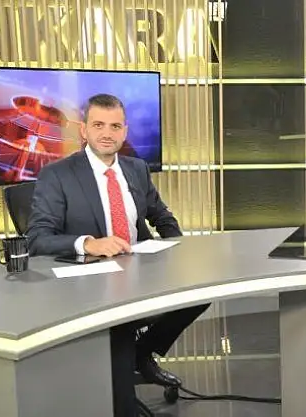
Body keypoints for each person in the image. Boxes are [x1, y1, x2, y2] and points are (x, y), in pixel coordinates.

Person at [26, 93, 208, 387]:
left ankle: (142, 353)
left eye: (115, 126)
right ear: (84, 130)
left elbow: (161, 216)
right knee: (120, 339)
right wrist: (88, 243)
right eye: (98, 125)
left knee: (198, 293)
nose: (107, 134)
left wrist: (180, 249)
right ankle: (122, 384)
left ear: (124, 131)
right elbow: (37, 238)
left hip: (141, 271)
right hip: (92, 282)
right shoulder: (57, 175)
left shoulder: (137, 168)